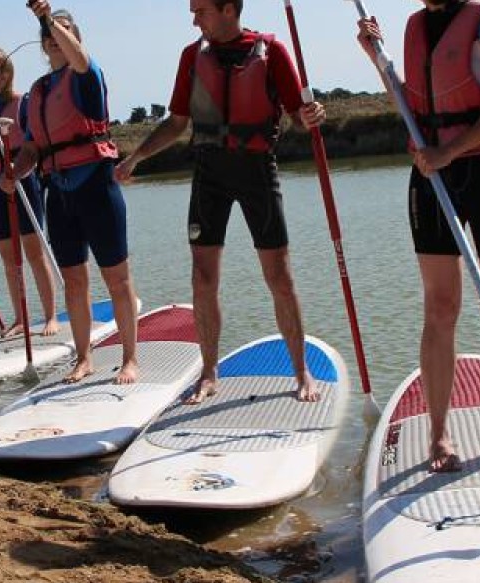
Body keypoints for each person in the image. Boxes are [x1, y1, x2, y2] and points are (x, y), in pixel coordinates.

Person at [357, 0, 480, 472]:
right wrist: (377, 60)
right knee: (439, 306)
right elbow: (412, 103)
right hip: (433, 177)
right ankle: (439, 436)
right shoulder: (416, 26)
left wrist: (451, 150)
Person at [115, 0, 326, 404]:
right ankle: (209, 374)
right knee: (202, 278)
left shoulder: (271, 51)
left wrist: (310, 114)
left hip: (257, 171)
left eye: (201, 10)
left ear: (229, 8)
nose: (194, 18)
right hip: (209, 173)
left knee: (279, 277)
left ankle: (302, 373)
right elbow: (177, 122)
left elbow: (298, 115)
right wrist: (135, 157)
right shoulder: (192, 56)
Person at [2, 2, 140, 384]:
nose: (55, 37)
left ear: (75, 39)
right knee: (75, 281)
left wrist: (47, 18)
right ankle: (84, 357)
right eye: (49, 35)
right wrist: (13, 173)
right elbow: (32, 148)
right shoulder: (36, 93)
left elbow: (79, 59)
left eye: (63, 31)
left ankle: (130, 359)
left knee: (117, 279)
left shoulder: (86, 74)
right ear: (45, 47)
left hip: (96, 187)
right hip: (59, 194)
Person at [0, 48, 60, 338]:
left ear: (11, 72)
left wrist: (17, 170)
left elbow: (36, 144)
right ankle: (20, 319)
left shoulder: (24, 103)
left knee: (34, 252)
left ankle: (51, 316)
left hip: (23, 179)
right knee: (9, 257)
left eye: (3, 69)